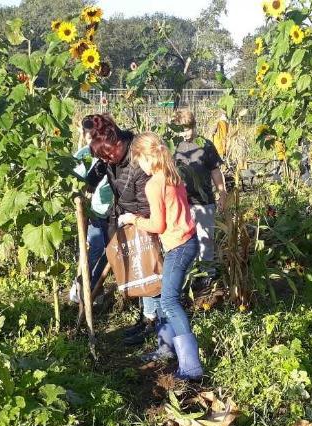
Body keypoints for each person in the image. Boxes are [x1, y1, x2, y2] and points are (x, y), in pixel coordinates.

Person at [118, 132, 203, 381]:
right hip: (188, 241)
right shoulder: (172, 174)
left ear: (146, 157)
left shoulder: (154, 183)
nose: (140, 167)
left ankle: (191, 366)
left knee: (169, 302)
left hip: (178, 246)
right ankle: (167, 350)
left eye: (139, 161)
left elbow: (157, 224)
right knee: (166, 298)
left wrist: (133, 219)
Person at [83, 115, 160, 344]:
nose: (108, 159)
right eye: (103, 156)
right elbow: (98, 171)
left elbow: (147, 202)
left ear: (119, 142)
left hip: (141, 219)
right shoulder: (110, 156)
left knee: (149, 269)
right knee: (137, 270)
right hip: (123, 217)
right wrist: (87, 187)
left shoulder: (138, 160)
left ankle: (153, 321)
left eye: (109, 154)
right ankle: (146, 316)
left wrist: (135, 220)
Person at [173, 109, 227, 287]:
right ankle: (188, 275)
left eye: (189, 128)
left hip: (204, 201)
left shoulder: (205, 145)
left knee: (206, 240)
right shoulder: (174, 147)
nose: (186, 133)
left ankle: (207, 274)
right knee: (185, 241)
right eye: (181, 129)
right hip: (182, 203)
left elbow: (215, 170)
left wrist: (222, 192)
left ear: (195, 126)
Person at [71, 118, 113, 300]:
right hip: (93, 210)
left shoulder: (109, 152)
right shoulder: (85, 155)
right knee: (96, 247)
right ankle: (81, 288)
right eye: (88, 139)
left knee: (111, 250)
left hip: (111, 210)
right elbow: (75, 182)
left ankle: (95, 286)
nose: (91, 143)